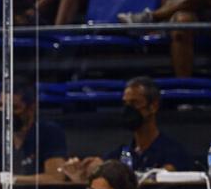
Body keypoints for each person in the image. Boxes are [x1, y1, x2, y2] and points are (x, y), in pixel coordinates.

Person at [61, 76, 192, 182]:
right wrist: (82, 176)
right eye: (126, 104)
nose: (129, 109)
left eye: (135, 103)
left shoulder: (173, 152)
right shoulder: (120, 154)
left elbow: (166, 177)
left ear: (153, 106)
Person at [0, 81, 68, 182]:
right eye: (2, 106)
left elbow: (55, 177)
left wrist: (11, 180)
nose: (7, 115)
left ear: (32, 108)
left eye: (14, 108)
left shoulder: (49, 133)